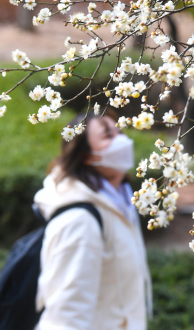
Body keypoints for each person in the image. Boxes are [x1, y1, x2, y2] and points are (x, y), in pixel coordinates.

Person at [33, 112, 152, 330]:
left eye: (120, 131)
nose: (121, 141)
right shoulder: (79, 220)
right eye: (108, 135)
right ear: (86, 156)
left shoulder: (120, 203)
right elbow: (65, 317)